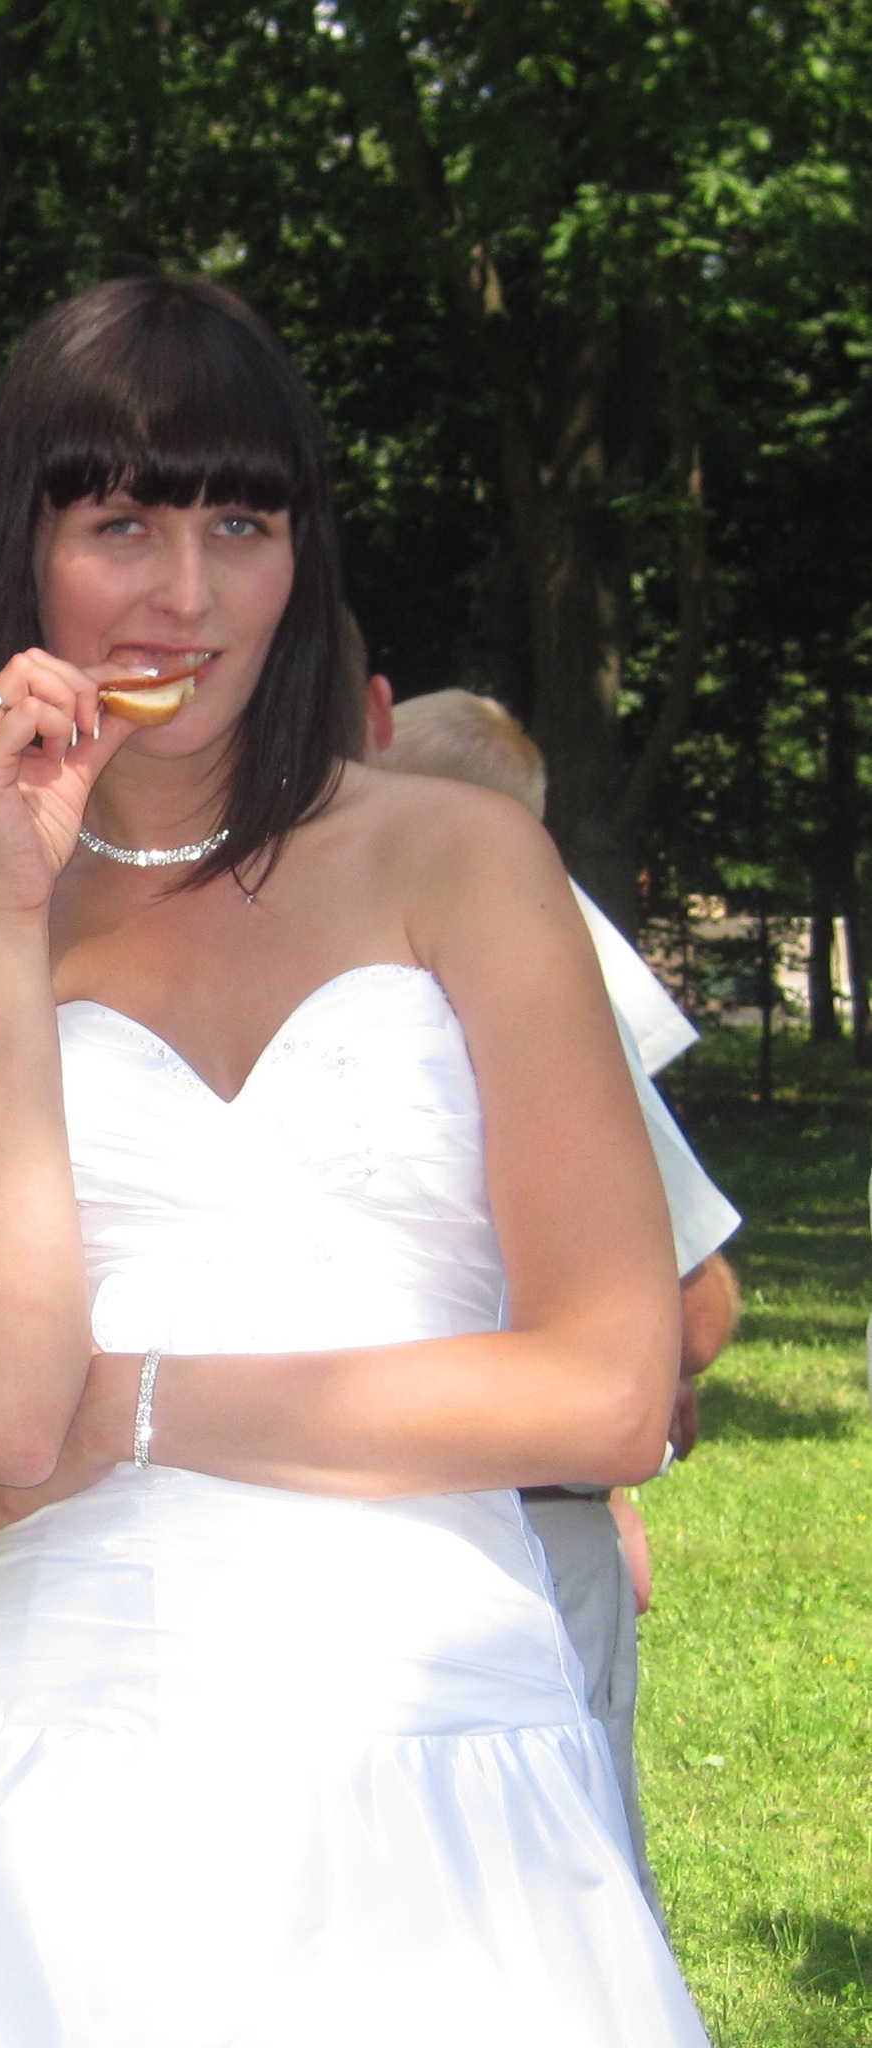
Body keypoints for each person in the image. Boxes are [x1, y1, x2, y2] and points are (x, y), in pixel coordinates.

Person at [0, 276, 706, 2045]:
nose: (184, 593)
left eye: (237, 525)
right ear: (22, 559)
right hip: (43, 1768)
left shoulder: (462, 862)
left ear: (297, 556)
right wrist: (18, 911)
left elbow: (611, 1391)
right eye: (121, 526)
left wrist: (146, 1403)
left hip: (437, 1746)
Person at [372, 681, 743, 1908]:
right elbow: (690, 1309)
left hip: (516, 1539)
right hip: (463, 1545)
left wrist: (603, 1432)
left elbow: (682, 1308)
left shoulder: (536, 1005)